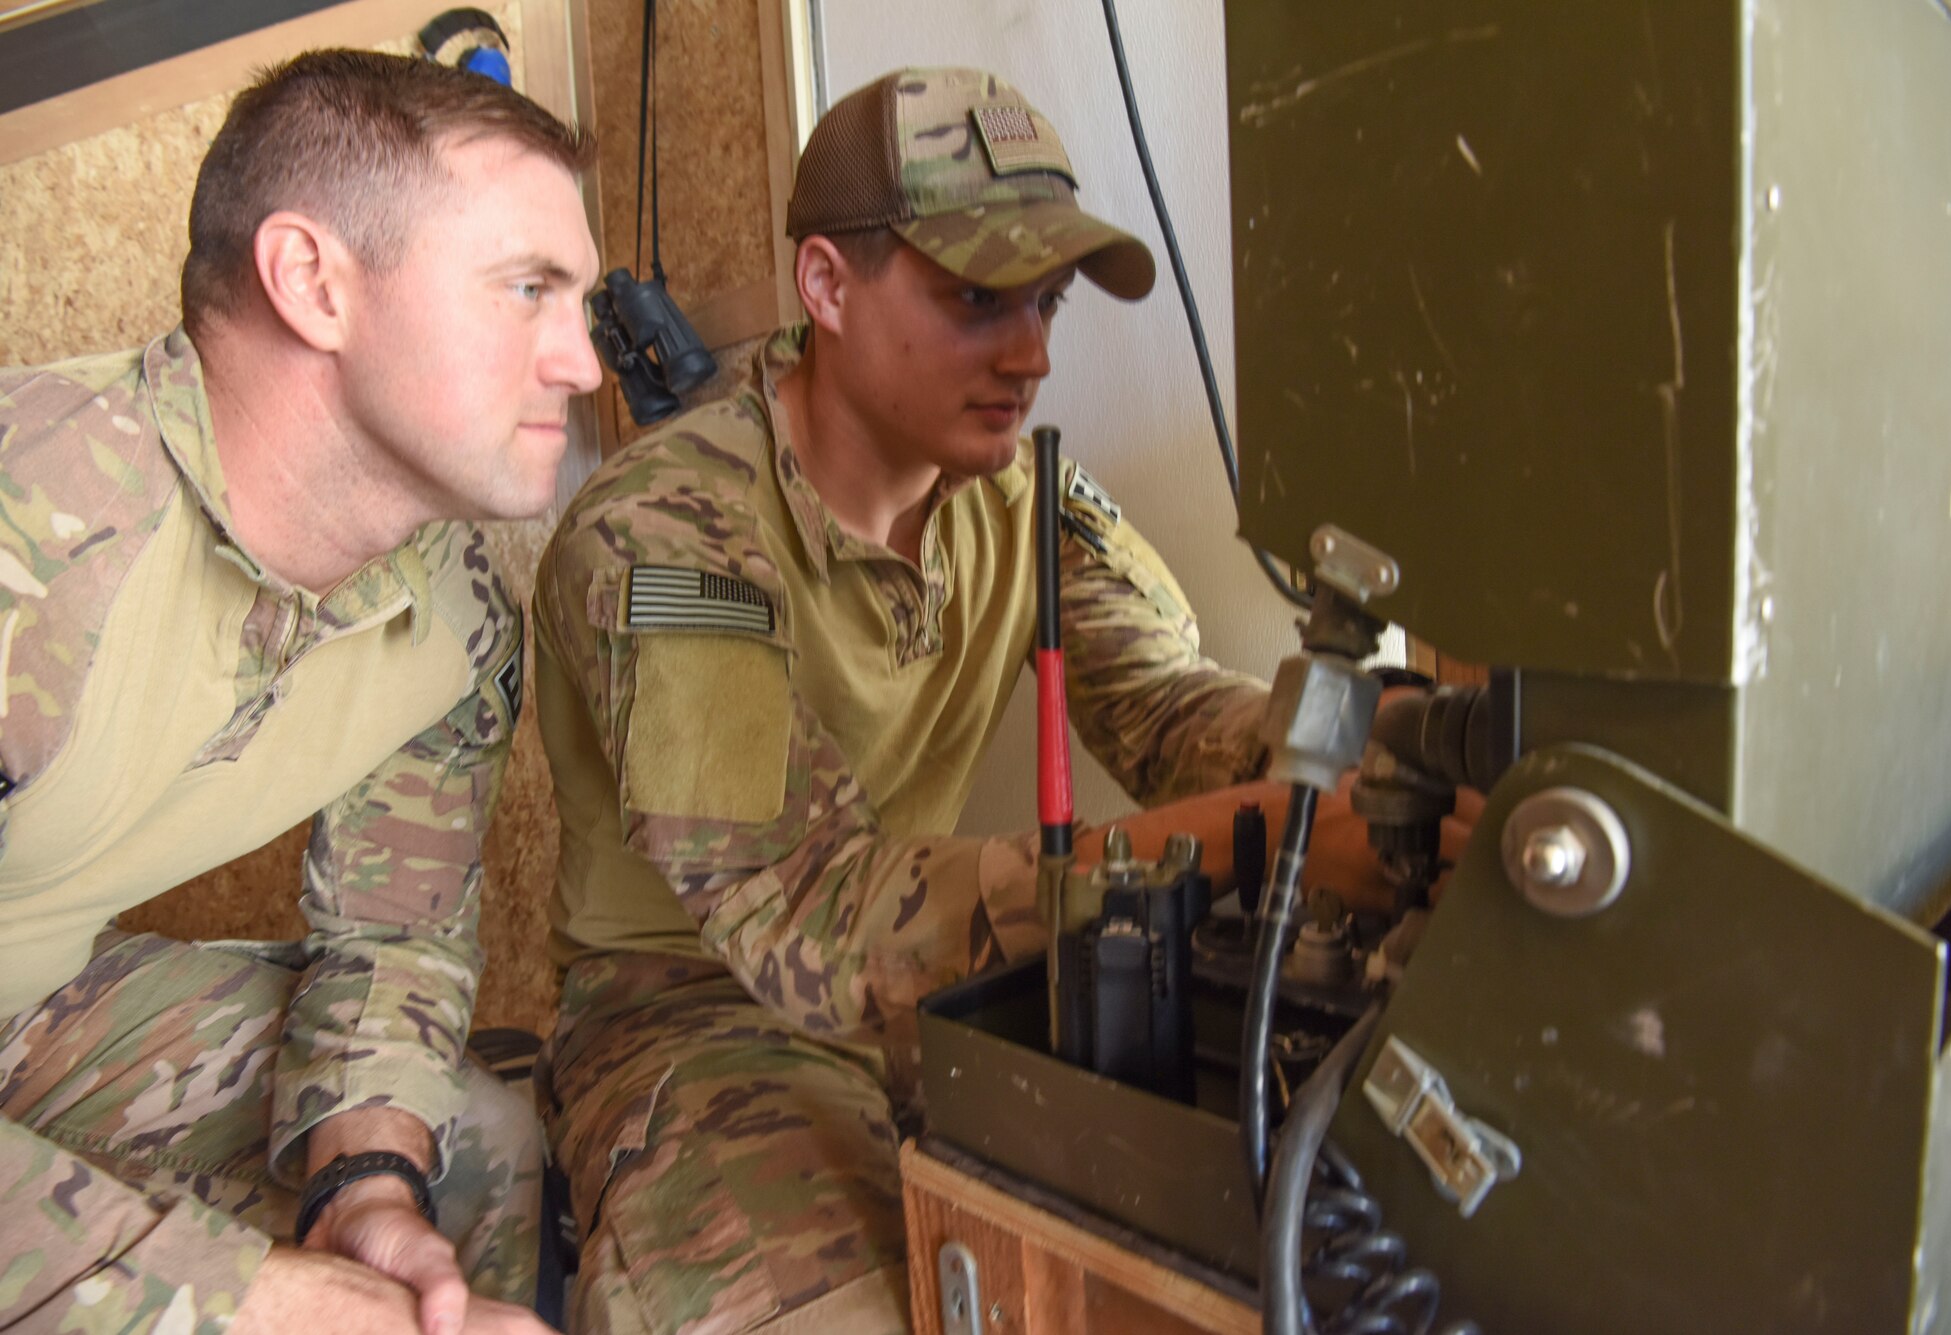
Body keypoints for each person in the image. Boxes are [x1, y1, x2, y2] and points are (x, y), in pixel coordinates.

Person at [533, 65, 1446, 1335]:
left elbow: (1173, 713)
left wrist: (1397, 761)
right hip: (702, 1017)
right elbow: (805, 916)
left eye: (1046, 302)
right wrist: (1266, 835)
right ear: (824, 287)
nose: (1029, 356)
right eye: (974, 300)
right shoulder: (669, 536)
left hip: (942, 999)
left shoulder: (1021, 495)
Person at [0, 49, 602, 1335]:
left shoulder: (446, 611)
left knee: (475, 1139)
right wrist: (242, 1300)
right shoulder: (33, 537)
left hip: (29, 1016)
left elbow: (390, 937)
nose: (583, 362)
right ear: (312, 282)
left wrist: (364, 1187)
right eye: (526, 289)